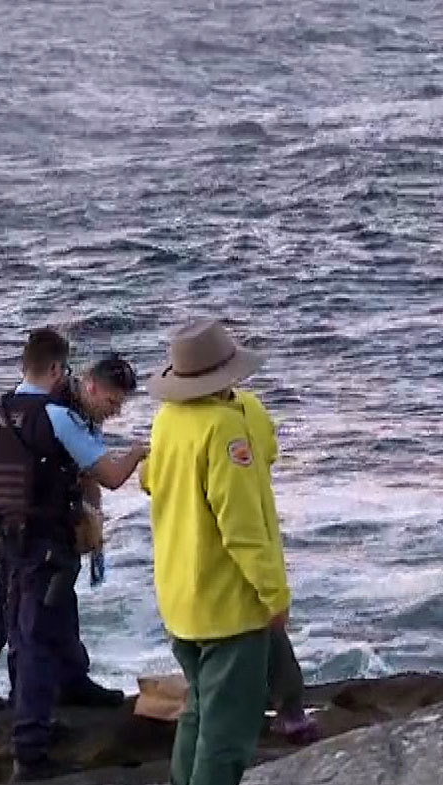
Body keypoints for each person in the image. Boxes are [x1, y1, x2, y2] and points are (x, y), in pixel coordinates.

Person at [0, 327, 148, 782]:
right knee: (31, 631)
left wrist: (11, 495)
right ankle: (30, 750)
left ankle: (70, 683)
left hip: (5, 528)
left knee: (42, 611)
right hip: (25, 535)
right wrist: (137, 453)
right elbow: (111, 475)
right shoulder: (59, 416)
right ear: (59, 370)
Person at [138, 317, 292, 785]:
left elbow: (149, 478)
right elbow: (241, 528)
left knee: (199, 711)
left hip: (181, 597)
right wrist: (274, 594)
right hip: (228, 607)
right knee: (228, 734)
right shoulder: (227, 431)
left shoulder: (168, 420)